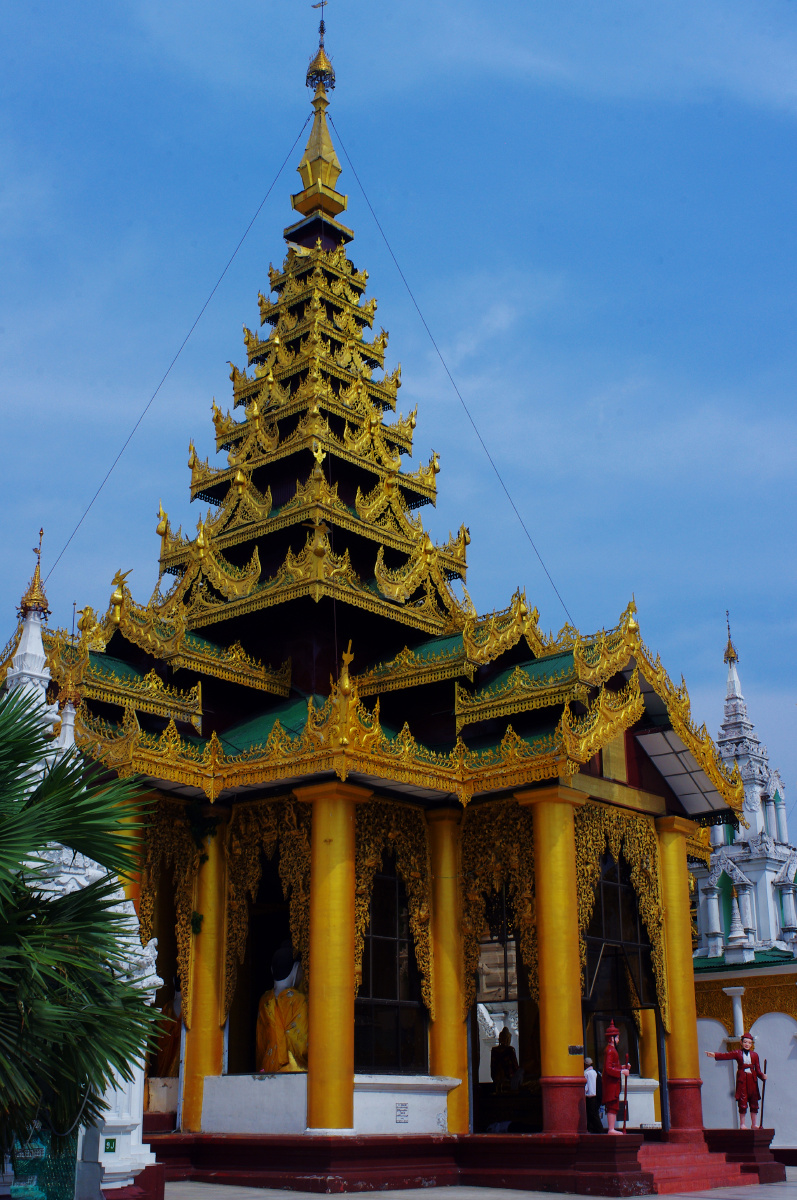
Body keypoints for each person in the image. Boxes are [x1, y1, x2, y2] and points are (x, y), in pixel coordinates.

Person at [256, 944, 308, 1073]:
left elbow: (260, 1046)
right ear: (296, 969)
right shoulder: (298, 1000)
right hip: (294, 1070)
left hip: (267, 1068)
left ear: (272, 970)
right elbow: (302, 1047)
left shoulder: (264, 1001)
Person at [706, 1032, 766, 1129]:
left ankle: (754, 1124)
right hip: (742, 1079)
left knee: (754, 1101)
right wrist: (715, 1055)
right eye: (745, 1042)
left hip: (752, 1080)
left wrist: (763, 1076)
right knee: (743, 1100)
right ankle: (742, 1124)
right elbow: (726, 1055)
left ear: (751, 1044)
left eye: (749, 1043)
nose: (747, 1044)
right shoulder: (738, 1053)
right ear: (741, 1043)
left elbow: (758, 1070)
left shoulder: (755, 1055)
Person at [602, 1020, 630, 1134]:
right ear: (612, 1038)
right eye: (617, 1037)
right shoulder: (610, 1051)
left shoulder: (612, 1050)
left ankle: (612, 1128)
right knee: (612, 1105)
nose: (618, 1040)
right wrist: (621, 1071)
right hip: (611, 1083)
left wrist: (623, 1067)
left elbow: (614, 1066)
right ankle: (611, 1129)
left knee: (614, 1104)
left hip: (613, 1083)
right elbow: (608, 1069)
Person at [490, 1026, 523, 1092]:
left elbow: (492, 1067)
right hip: (508, 1078)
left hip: (497, 1077)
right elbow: (515, 1066)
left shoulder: (494, 1050)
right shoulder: (510, 1050)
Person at [584, 1056, 604, 1133]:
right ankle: (595, 1129)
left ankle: (599, 1129)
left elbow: (587, 1086)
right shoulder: (596, 1072)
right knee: (594, 1113)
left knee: (592, 1114)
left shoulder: (587, 1073)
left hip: (590, 1096)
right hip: (597, 1096)